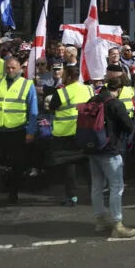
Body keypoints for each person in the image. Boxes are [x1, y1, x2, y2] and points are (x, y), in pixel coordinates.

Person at [86, 70, 135, 238]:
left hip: (92, 148)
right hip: (110, 149)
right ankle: (118, 224)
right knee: (116, 187)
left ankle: (100, 220)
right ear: (120, 89)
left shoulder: (93, 99)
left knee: (97, 186)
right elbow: (129, 126)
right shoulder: (115, 104)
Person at [0, 57, 37, 204]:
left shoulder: (27, 85)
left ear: (19, 69)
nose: (10, 70)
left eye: (13, 68)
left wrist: (30, 131)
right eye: (8, 68)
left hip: (17, 130)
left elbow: (33, 111)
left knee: (16, 164)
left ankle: (13, 194)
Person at [48, 65, 92, 206]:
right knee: (88, 166)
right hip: (85, 132)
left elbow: (51, 108)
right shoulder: (89, 89)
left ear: (67, 76)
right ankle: (94, 194)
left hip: (66, 135)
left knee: (69, 167)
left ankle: (71, 197)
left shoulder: (61, 93)